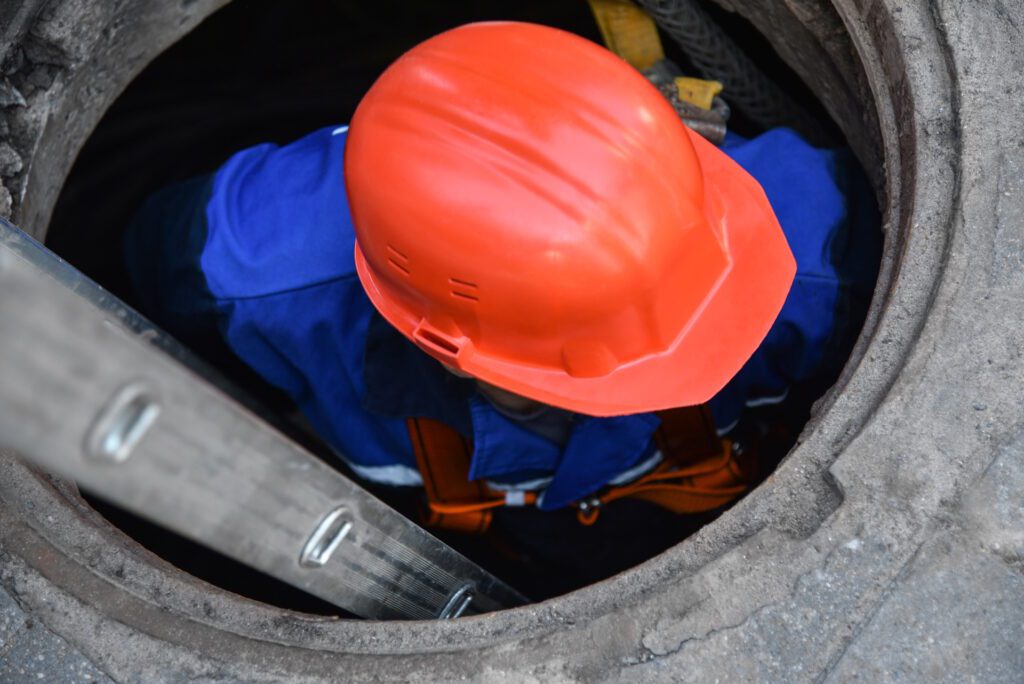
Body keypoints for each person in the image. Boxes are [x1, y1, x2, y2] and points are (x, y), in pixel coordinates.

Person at [123, 21, 878, 591]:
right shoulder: (253, 270)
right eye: (610, 365)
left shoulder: (816, 253)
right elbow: (125, 256)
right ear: (436, 337)